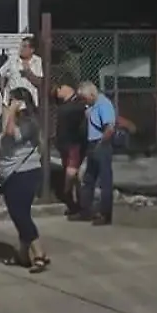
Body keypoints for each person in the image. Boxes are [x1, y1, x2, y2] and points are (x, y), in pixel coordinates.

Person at [0, 88, 49, 273]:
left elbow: (11, 133)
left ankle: (39, 253)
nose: (8, 104)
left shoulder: (29, 123)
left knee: (20, 215)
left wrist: (11, 111)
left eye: (12, 100)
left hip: (25, 173)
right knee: (19, 214)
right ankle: (23, 254)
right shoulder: (12, 119)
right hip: (10, 174)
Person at [71, 81, 115, 226]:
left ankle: (105, 214)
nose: (84, 101)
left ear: (91, 94)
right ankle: (86, 210)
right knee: (88, 179)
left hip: (101, 144)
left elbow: (109, 128)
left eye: (84, 98)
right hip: (92, 143)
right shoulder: (92, 105)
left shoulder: (103, 104)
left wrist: (101, 144)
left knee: (105, 181)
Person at [54, 81, 88, 216]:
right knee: (70, 174)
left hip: (74, 144)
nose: (58, 91)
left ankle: (77, 203)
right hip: (66, 145)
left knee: (73, 175)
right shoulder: (66, 106)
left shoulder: (78, 105)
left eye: (60, 88)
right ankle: (74, 203)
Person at [0, 36, 44, 105]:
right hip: (13, 101)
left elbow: (39, 82)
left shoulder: (37, 61)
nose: (21, 49)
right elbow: (2, 73)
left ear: (32, 50)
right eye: (21, 46)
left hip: (29, 103)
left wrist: (28, 72)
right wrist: (2, 91)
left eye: (24, 46)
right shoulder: (12, 60)